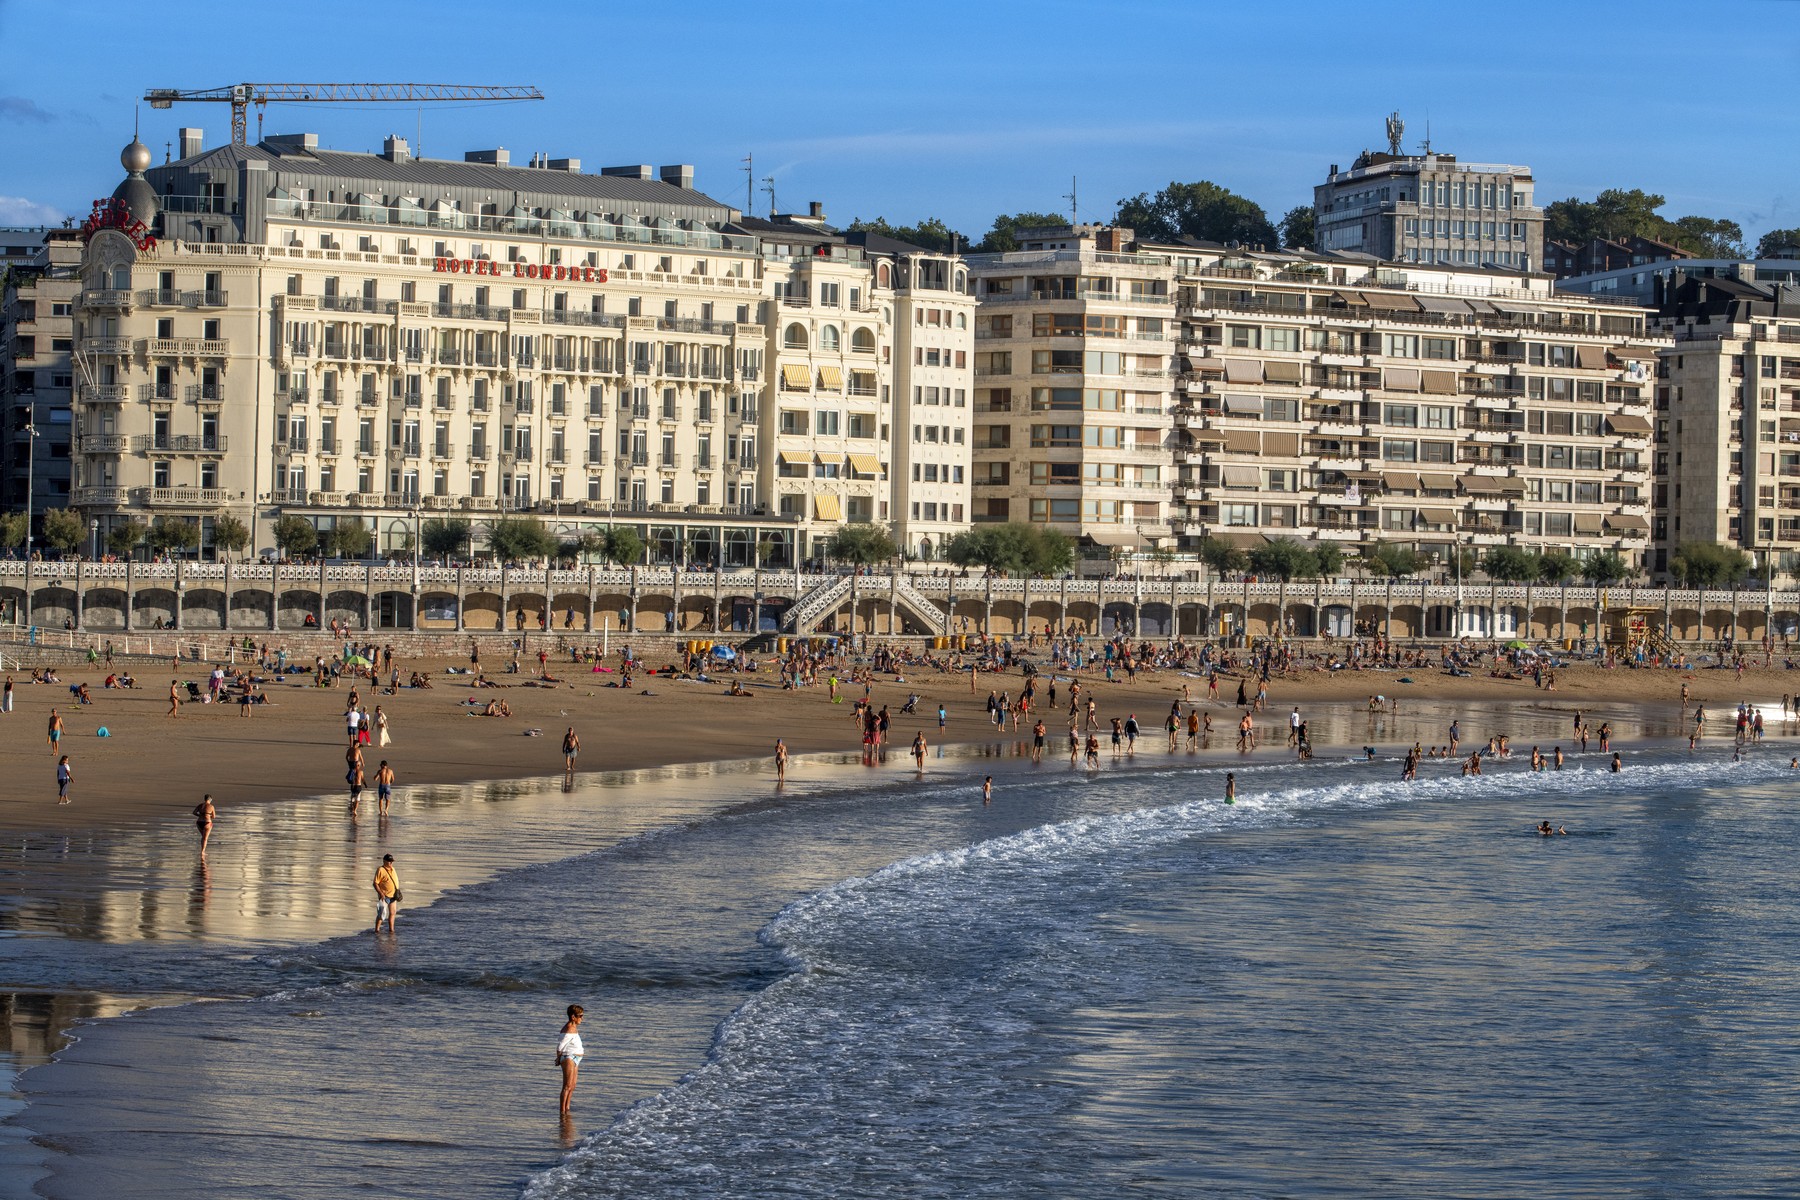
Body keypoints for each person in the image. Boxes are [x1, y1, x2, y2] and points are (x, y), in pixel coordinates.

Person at [556, 1004, 586, 1116]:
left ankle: (567, 1109)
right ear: (573, 1017)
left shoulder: (573, 1027)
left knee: (572, 1086)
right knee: (567, 1086)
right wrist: (558, 1058)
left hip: (575, 1058)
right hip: (569, 1057)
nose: (582, 1018)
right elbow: (560, 1046)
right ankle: (562, 1112)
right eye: (580, 1016)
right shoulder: (569, 1028)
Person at [373, 854, 400, 932]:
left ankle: (391, 929)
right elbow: (375, 883)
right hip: (384, 896)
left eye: (392, 861)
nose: (391, 863)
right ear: (384, 861)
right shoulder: (380, 870)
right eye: (389, 861)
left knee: (393, 913)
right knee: (381, 914)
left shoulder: (393, 869)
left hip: (393, 896)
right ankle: (377, 930)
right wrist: (381, 893)